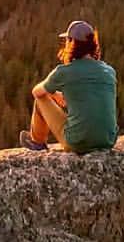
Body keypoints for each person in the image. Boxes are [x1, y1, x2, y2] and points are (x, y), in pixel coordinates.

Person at [20, 19, 118, 154]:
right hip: (108, 141)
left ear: (71, 43)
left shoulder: (64, 71)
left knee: (40, 99)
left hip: (78, 144)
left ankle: (37, 143)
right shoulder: (109, 71)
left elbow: (36, 92)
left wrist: (52, 93)